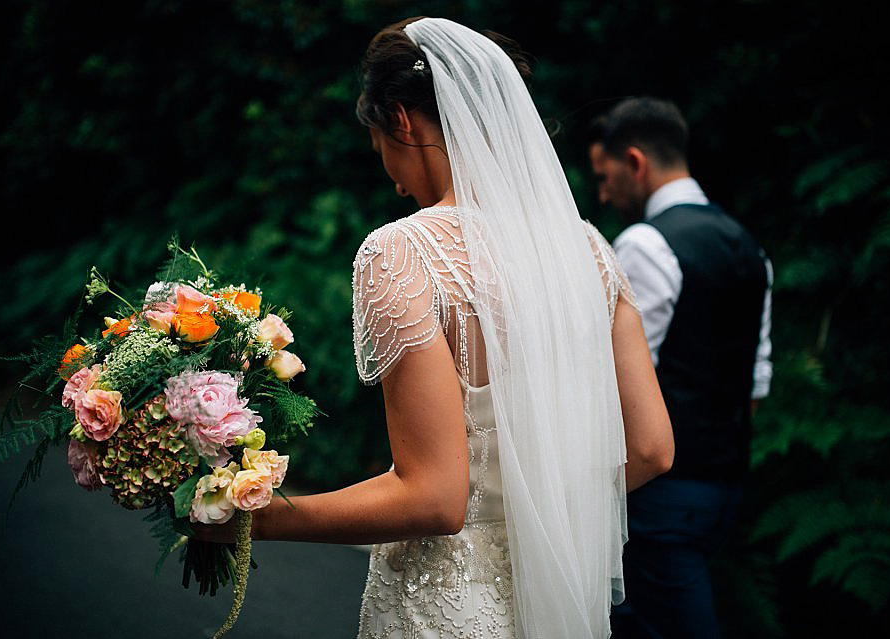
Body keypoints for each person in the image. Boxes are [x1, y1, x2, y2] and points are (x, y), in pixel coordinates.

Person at [196, 19, 673, 638]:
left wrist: (254, 518)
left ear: (402, 120)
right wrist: (544, 505)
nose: (392, 179)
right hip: (555, 598)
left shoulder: (404, 252)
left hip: (443, 607)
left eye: (382, 151)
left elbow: (435, 499)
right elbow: (652, 448)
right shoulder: (590, 251)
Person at [588, 97, 773, 639]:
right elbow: (754, 384)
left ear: (636, 162)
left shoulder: (646, 245)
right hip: (724, 485)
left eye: (606, 176)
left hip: (657, 491)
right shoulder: (748, 246)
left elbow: (618, 382)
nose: (603, 192)